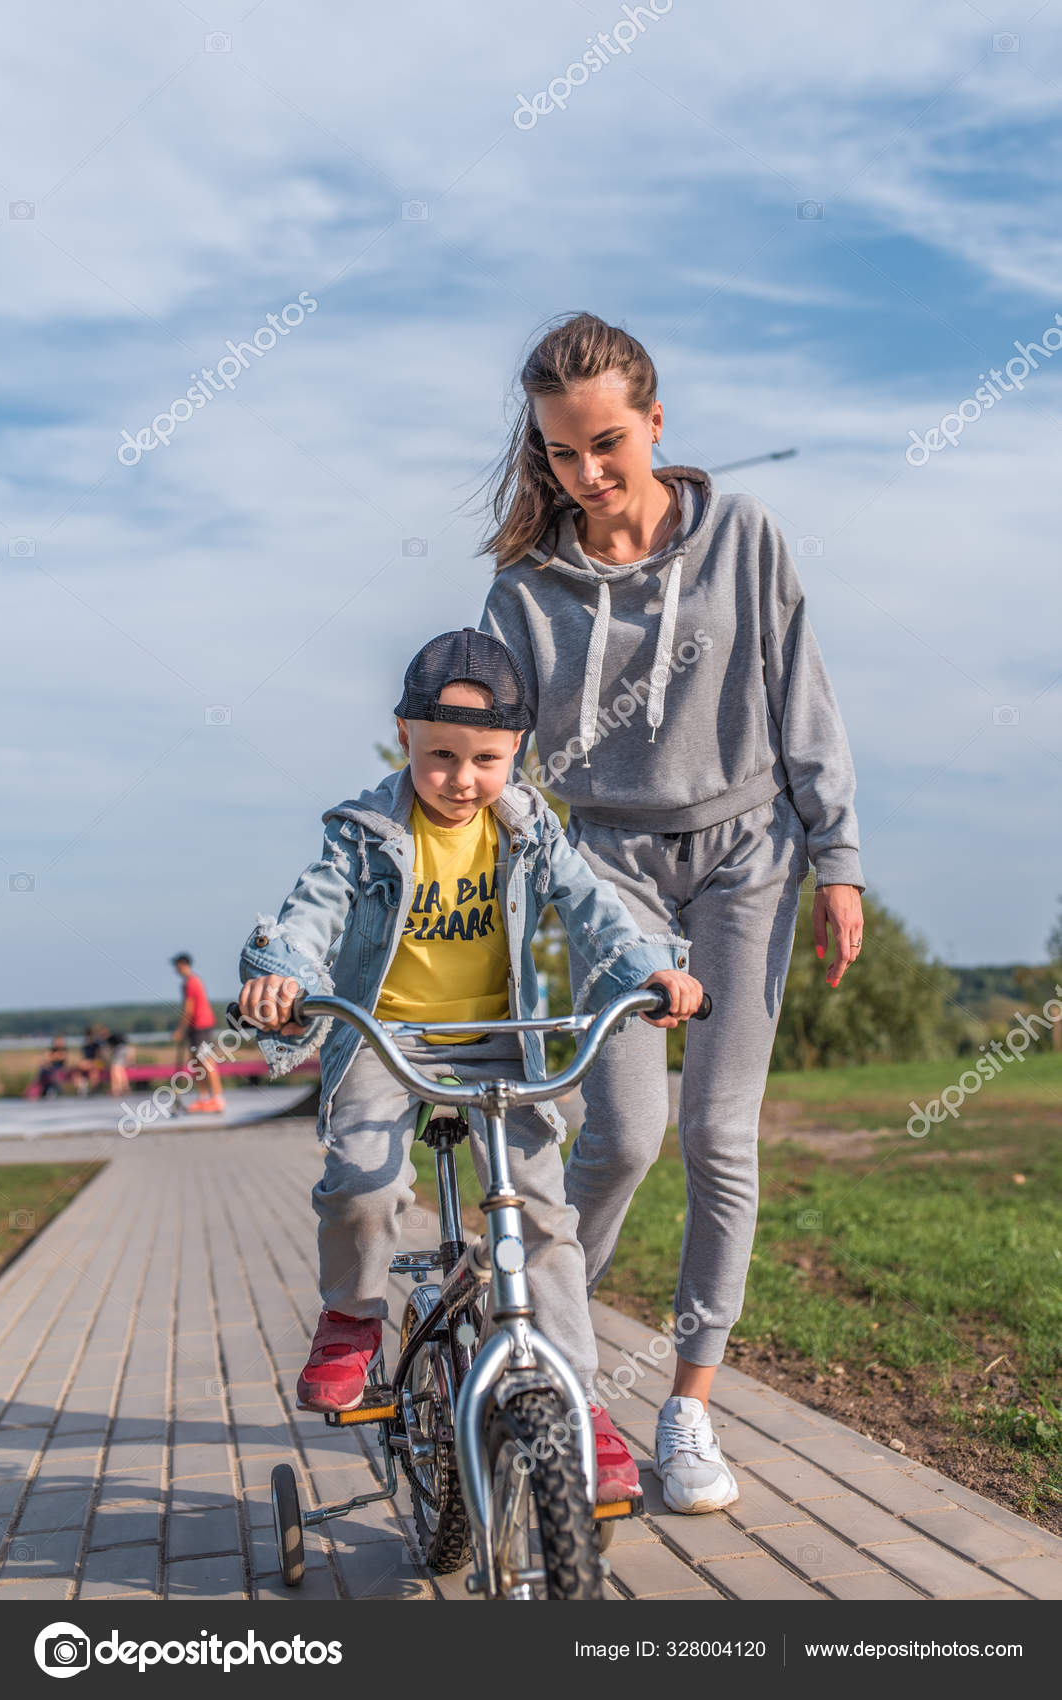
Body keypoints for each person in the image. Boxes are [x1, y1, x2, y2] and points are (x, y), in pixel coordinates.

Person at [478, 312, 866, 1516]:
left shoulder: (745, 536)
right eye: (559, 454)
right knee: (626, 1137)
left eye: (607, 444)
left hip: (752, 849)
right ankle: (548, 1356)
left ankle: (690, 1405)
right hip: (611, 875)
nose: (587, 475)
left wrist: (838, 857)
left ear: (656, 422)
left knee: (721, 1136)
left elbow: (801, 694)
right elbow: (494, 768)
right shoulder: (525, 591)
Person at [235, 628, 704, 1504]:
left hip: (498, 1039)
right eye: (440, 755)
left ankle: (574, 1399)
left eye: (485, 759)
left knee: (543, 1218)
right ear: (404, 735)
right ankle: (352, 1316)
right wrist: (283, 979)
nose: (461, 779)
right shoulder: (367, 835)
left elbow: (597, 908)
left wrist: (650, 970)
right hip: (386, 1038)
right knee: (363, 1184)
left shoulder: (530, 832)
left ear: (516, 751)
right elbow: (310, 914)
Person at [171, 954, 225, 1113]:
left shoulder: (191, 982)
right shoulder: (191, 981)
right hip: (195, 1028)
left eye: (176, 965)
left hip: (201, 1026)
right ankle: (203, 1098)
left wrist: (180, 1031)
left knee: (207, 1062)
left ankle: (217, 1098)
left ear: (182, 964)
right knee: (197, 1063)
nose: (175, 969)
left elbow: (189, 1009)